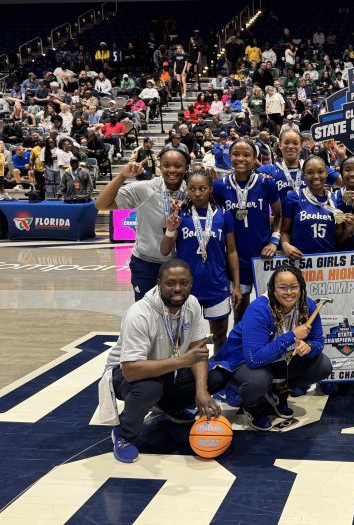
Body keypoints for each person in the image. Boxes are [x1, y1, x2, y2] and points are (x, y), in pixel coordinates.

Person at [100, 259, 225, 463]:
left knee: (217, 377)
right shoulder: (139, 314)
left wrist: (202, 391)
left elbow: (198, 351)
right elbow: (131, 370)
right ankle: (124, 434)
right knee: (149, 388)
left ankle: (168, 406)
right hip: (124, 376)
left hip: (166, 370)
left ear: (191, 283)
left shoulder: (191, 304)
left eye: (183, 283)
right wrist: (182, 360)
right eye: (170, 283)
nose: (177, 289)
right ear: (159, 283)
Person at [209, 265, 333, 430]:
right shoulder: (259, 309)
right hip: (242, 361)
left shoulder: (307, 305)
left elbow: (318, 341)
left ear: (301, 287)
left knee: (322, 366)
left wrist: (309, 347)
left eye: (294, 287)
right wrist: (292, 336)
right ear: (272, 290)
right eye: (282, 287)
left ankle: (279, 392)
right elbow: (254, 359)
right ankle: (251, 405)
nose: (289, 292)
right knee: (259, 380)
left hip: (277, 358)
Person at [161, 169, 241, 350]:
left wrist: (236, 285)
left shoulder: (223, 215)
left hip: (217, 285)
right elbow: (165, 250)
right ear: (187, 190)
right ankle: (187, 375)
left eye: (202, 188)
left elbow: (232, 252)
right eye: (192, 188)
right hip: (186, 288)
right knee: (185, 339)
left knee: (220, 336)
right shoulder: (180, 215)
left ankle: (218, 373)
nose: (197, 193)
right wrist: (170, 229)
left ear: (211, 189)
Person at [95, 149, 189, 300]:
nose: (171, 170)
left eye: (178, 166)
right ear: (159, 167)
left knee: (176, 316)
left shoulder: (192, 193)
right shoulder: (144, 188)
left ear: (186, 168)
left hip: (180, 266)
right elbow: (101, 204)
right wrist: (122, 176)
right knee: (146, 315)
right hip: (146, 264)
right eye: (166, 165)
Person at [213, 139, 282, 323]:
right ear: (229, 157)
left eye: (246, 155)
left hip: (264, 256)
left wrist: (274, 241)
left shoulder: (267, 184)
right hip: (237, 260)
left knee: (272, 312)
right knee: (240, 315)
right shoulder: (219, 186)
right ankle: (240, 350)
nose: (240, 158)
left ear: (255, 158)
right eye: (236, 154)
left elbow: (279, 215)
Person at [281, 156, 354, 258]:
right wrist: (285, 245)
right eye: (310, 172)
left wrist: (347, 230)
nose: (316, 176)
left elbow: (337, 240)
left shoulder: (335, 200)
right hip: (300, 261)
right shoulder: (293, 197)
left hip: (326, 264)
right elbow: (285, 231)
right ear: (304, 176)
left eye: (320, 171)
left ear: (326, 174)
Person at [259, 129, 341, 200]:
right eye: (286, 143)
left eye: (295, 143)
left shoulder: (314, 167)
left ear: (301, 146)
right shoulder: (269, 170)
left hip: (308, 217)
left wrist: (342, 157)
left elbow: (344, 182)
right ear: (280, 145)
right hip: (282, 217)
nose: (291, 146)